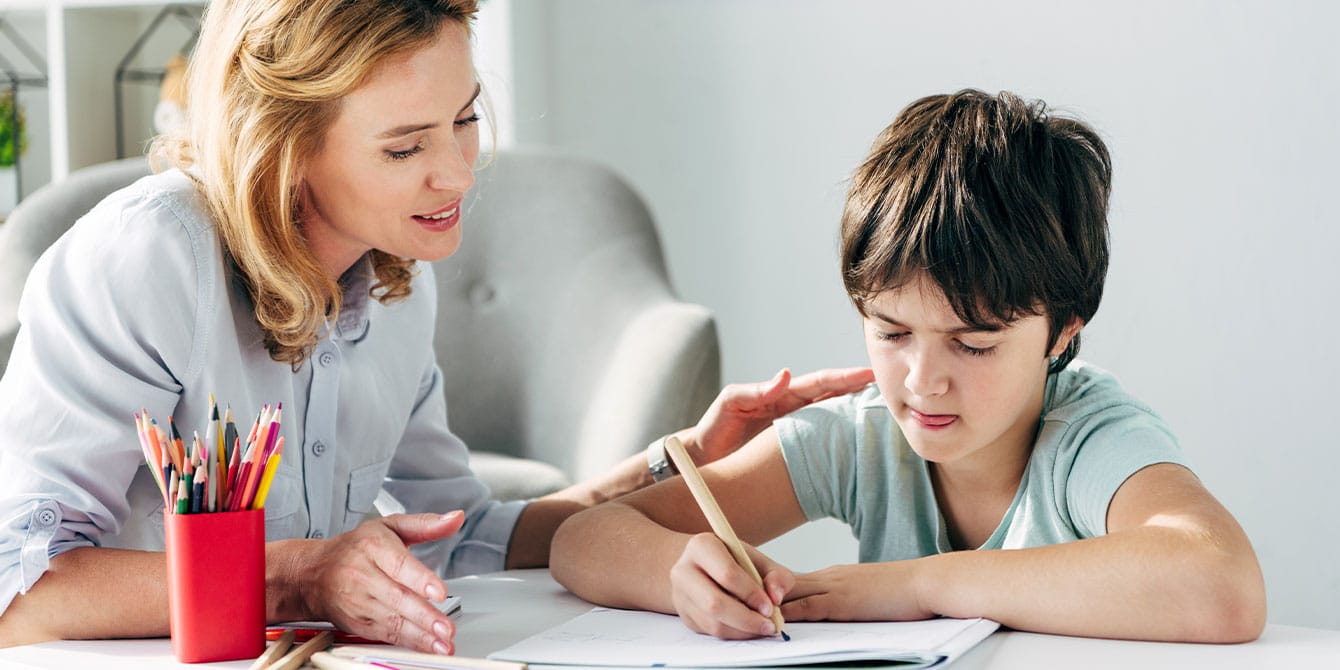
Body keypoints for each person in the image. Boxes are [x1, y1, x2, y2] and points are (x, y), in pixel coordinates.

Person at [0, 0, 873, 653]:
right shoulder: (146, 259)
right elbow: (21, 592)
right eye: (405, 147)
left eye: (464, 120)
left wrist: (675, 462)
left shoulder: (398, 283)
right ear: (285, 145)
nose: (458, 174)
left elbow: (461, 534)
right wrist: (302, 572)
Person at [551, 89, 1267, 643]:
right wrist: (677, 573)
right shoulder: (860, 435)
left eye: (973, 343)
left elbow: (1222, 583)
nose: (923, 381)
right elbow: (583, 539)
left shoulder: (1090, 438)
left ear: (1061, 334)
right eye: (891, 333)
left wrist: (919, 585)